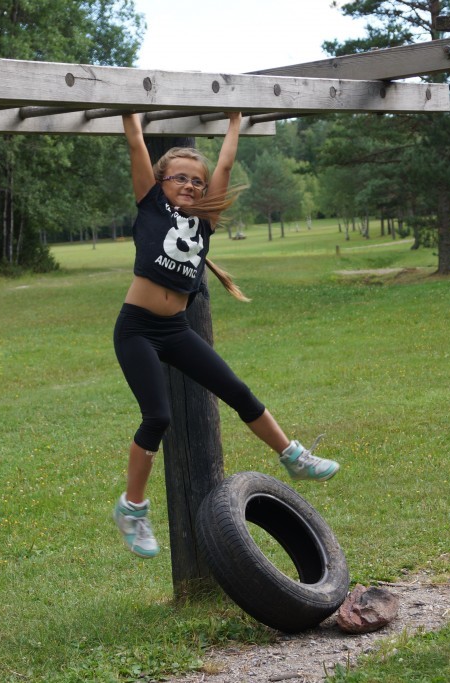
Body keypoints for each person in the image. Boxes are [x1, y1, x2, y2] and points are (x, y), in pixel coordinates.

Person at [112, 111, 339, 559]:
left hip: (175, 329)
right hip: (137, 328)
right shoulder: (150, 206)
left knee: (237, 391)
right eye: (181, 178)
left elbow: (226, 168)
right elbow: (137, 143)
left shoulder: (205, 223)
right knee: (157, 416)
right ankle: (131, 508)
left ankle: (293, 456)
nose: (191, 186)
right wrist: (129, 112)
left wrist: (235, 121)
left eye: (197, 181)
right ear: (161, 183)